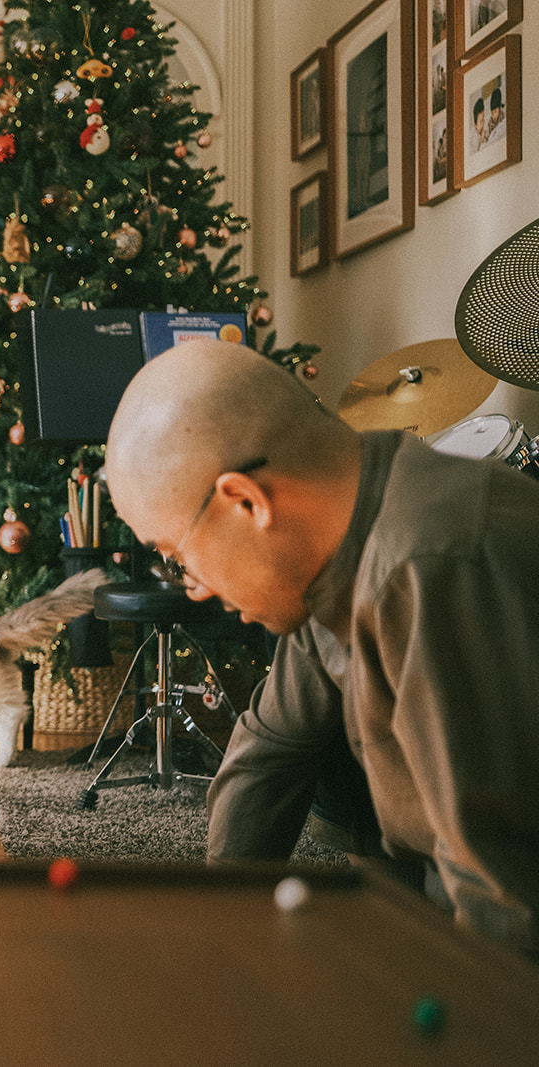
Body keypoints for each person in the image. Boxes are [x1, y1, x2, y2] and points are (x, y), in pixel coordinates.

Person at [103, 339, 539, 954]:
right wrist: (227, 934)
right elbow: (269, 752)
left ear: (246, 501)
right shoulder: (336, 546)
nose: (194, 588)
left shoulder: (430, 565)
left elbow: (508, 902)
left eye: (178, 558)